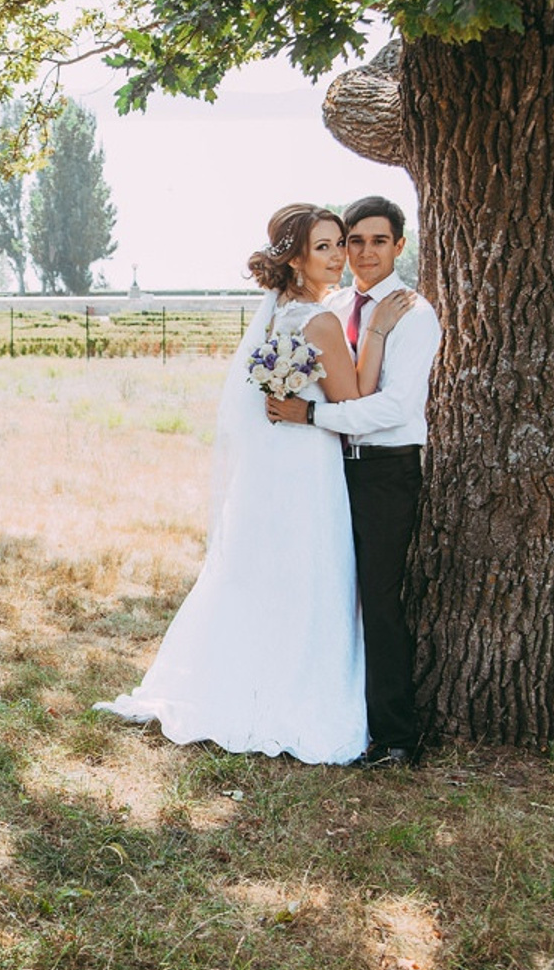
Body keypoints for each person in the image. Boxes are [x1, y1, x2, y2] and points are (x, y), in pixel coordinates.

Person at [94, 203, 412, 764]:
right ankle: (295, 693)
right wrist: (380, 333)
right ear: (295, 258)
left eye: (341, 243)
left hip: (271, 465)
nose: (340, 256)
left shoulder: (275, 316)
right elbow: (355, 399)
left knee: (266, 571)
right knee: (313, 571)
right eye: (326, 247)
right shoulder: (320, 322)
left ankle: (244, 682)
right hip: (311, 464)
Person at [267, 196, 441, 768]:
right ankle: (332, 707)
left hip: (386, 471)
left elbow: (393, 407)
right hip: (332, 470)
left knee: (378, 600)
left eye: (376, 241)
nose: (361, 253)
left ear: (399, 246)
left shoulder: (413, 314)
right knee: (333, 589)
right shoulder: (334, 302)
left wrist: (313, 417)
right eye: (352, 241)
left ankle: (395, 737)